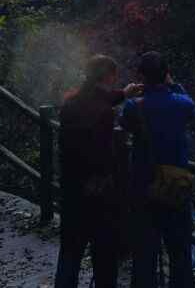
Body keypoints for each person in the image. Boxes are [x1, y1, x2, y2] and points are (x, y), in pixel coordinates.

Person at [55, 55, 141, 288]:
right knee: (104, 254)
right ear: (109, 76)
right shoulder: (104, 113)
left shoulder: (71, 103)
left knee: (70, 252)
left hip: (71, 189)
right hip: (96, 193)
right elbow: (101, 156)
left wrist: (125, 93)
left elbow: (98, 100)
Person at [122, 51, 195, 288]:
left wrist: (131, 94)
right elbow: (192, 110)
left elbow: (123, 124)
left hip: (143, 185)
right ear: (165, 74)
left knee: (144, 252)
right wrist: (173, 84)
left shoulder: (134, 107)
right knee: (180, 251)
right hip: (175, 185)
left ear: (142, 77)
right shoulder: (182, 104)